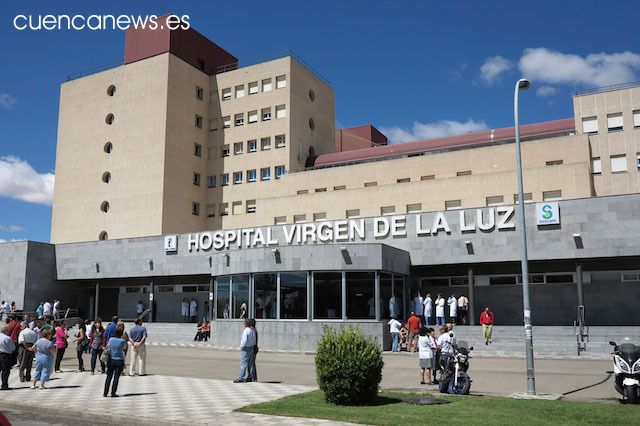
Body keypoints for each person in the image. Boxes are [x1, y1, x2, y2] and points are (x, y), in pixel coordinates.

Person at [104, 327, 128, 397]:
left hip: (111, 360)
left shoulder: (111, 339)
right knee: (116, 378)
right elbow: (124, 348)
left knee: (109, 377)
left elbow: (108, 347)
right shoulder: (122, 341)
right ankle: (113, 393)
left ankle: (105, 392)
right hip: (119, 360)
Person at [0, 324, 16, 390]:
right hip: (5, 355)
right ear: (6, 330)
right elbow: (13, 348)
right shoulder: (7, 338)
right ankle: (4, 385)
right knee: (5, 371)